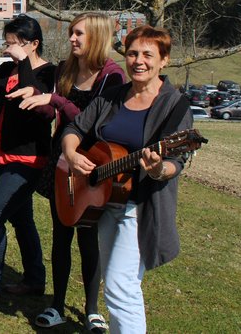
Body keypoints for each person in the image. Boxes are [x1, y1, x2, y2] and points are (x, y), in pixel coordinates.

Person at [61, 25, 192, 333]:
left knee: (120, 288)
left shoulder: (175, 106)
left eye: (148, 54)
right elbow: (74, 128)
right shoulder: (112, 97)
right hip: (104, 203)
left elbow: (176, 162)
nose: (138, 61)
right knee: (120, 287)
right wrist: (70, 153)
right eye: (132, 53)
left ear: (164, 61)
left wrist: (158, 169)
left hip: (140, 208)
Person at [10, 13, 125, 331]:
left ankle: (91, 310)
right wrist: (37, 98)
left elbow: (95, 121)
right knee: (61, 236)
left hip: (93, 164)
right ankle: (57, 305)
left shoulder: (112, 77)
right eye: (72, 33)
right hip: (61, 162)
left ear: (98, 36)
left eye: (79, 34)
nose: (72, 38)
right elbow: (54, 111)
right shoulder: (66, 69)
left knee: (88, 237)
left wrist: (56, 99)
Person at [0, 14, 55, 295]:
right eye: (7, 44)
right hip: (3, 157)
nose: (10, 49)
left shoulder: (48, 72)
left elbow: (36, 99)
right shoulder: (9, 69)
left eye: (16, 44)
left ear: (34, 44)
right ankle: (34, 279)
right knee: (22, 219)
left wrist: (25, 62)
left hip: (28, 160)